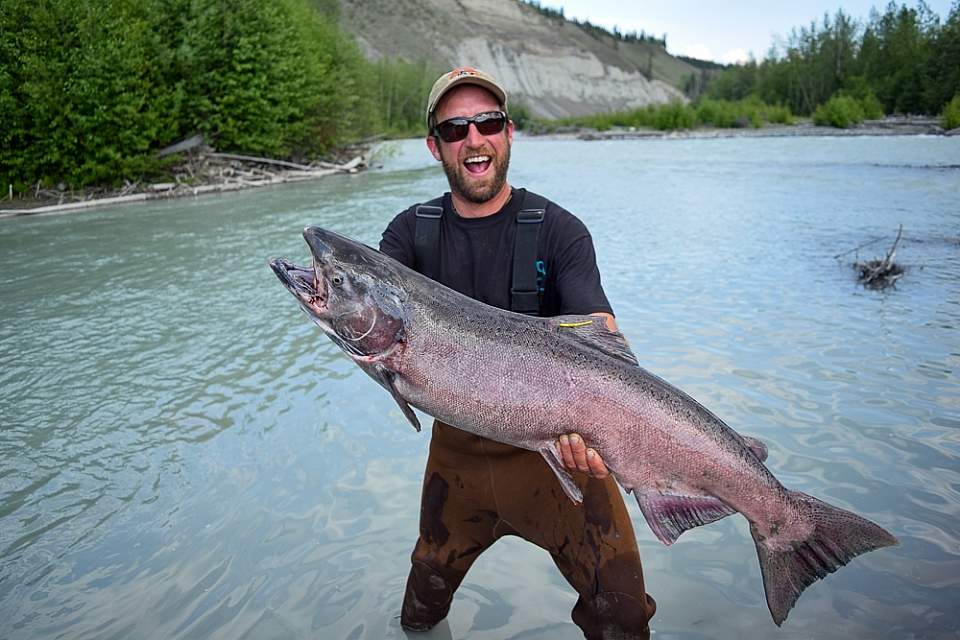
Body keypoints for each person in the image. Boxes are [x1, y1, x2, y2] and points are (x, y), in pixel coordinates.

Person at [379, 67, 656, 639]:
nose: (473, 139)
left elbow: (603, 337)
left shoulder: (559, 232)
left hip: (563, 462)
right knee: (420, 615)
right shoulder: (407, 238)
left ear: (510, 132)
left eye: (488, 122)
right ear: (435, 146)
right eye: (455, 129)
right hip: (457, 467)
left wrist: (603, 430)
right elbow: (378, 335)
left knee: (624, 619)